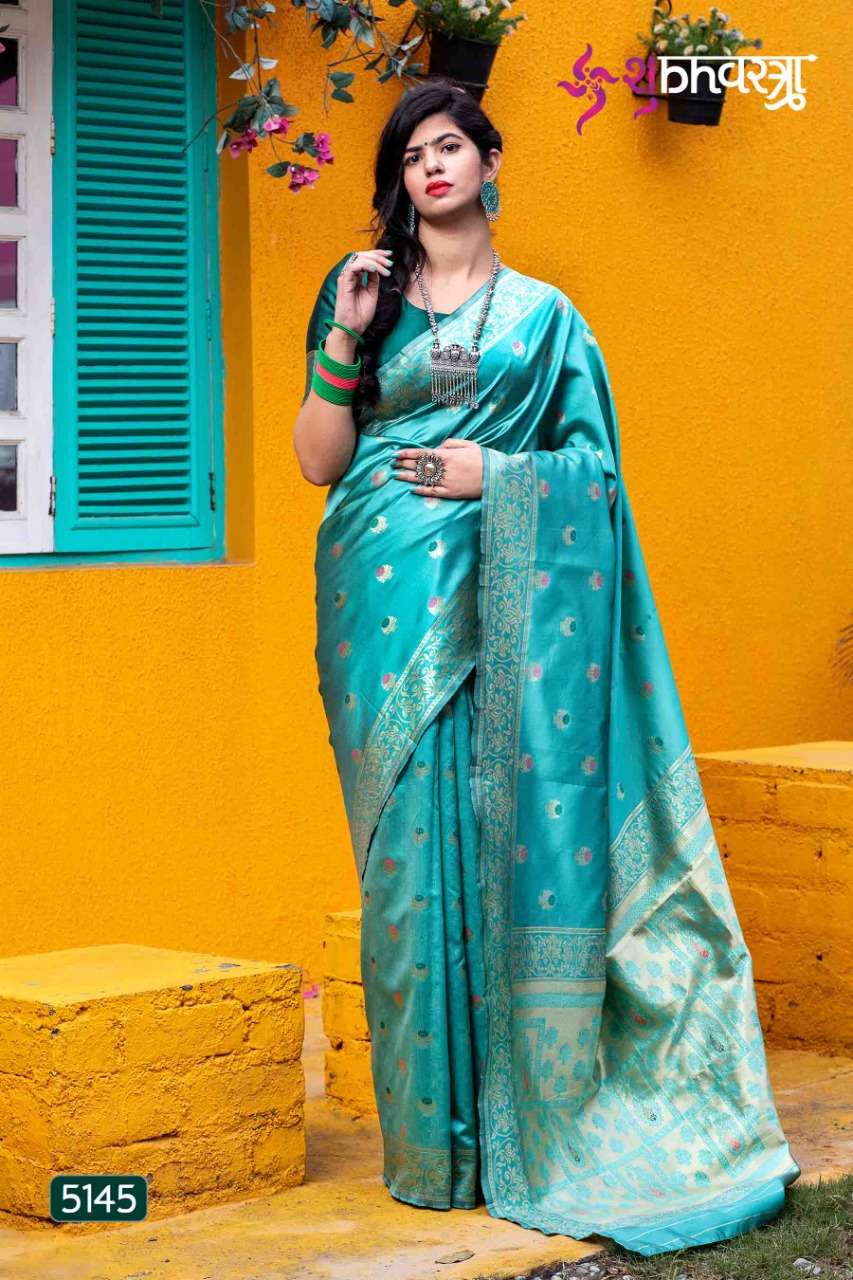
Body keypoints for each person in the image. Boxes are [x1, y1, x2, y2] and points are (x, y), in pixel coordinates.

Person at [293, 76, 801, 1258]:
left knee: (506, 834)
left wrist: (498, 477)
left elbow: (598, 477)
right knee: (409, 866)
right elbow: (319, 460)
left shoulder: (547, 319)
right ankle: (432, 1152)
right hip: (380, 602)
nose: (430, 165)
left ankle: (529, 1122)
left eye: (448, 145)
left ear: (487, 161)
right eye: (410, 153)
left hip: (513, 605)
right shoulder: (361, 293)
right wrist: (342, 337)